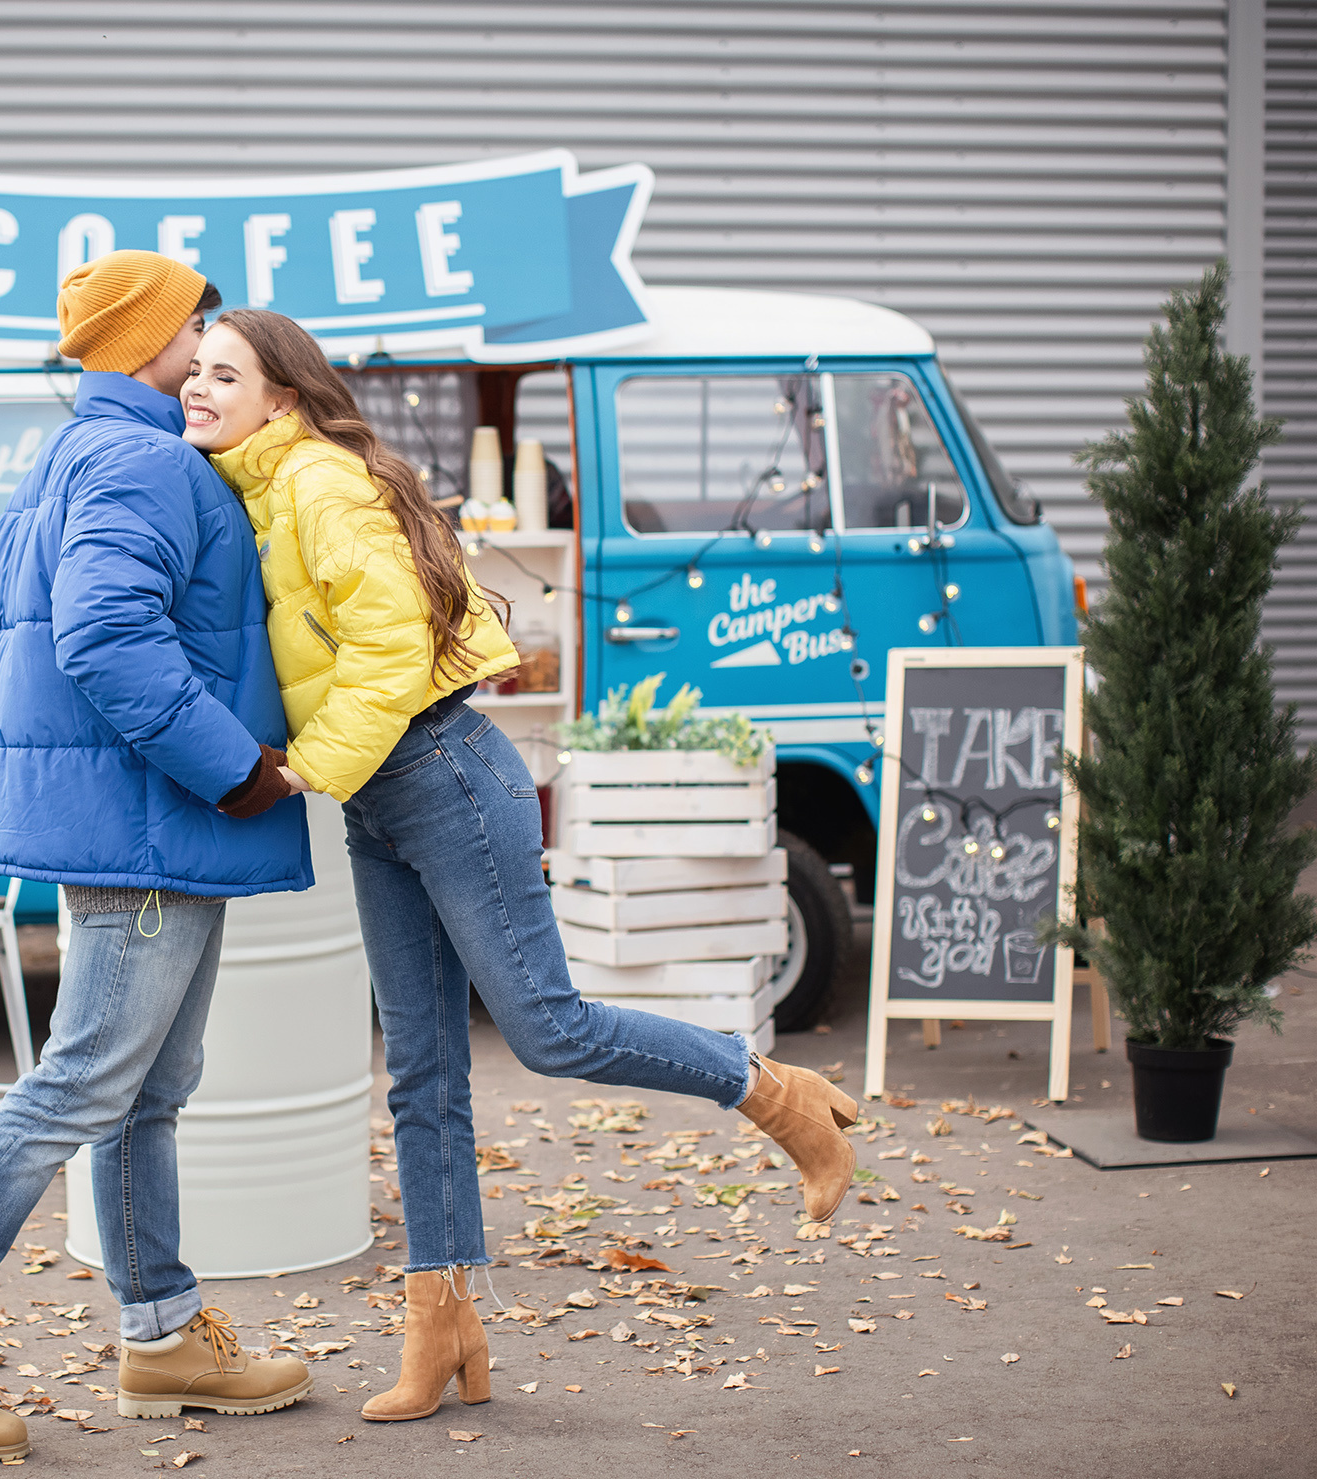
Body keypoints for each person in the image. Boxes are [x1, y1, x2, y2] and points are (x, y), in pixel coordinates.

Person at [181, 308, 859, 1425]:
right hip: (382, 799)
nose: (196, 390)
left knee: (546, 1029)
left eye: (221, 374)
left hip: (439, 770)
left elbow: (392, 644)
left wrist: (306, 770)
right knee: (419, 1073)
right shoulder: (260, 485)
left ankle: (775, 1098)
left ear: (283, 398)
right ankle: (442, 1329)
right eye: (191, 373)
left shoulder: (317, 483)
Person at [0, 254, 317, 1464]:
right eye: (193, 327)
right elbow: (107, 639)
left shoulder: (66, 457)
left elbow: (8, 631)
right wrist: (238, 766)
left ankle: (160, 1331)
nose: (209, 341)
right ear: (147, 341)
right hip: (153, 825)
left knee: (141, 1092)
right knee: (81, 1085)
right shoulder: (146, 460)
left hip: (126, 818)